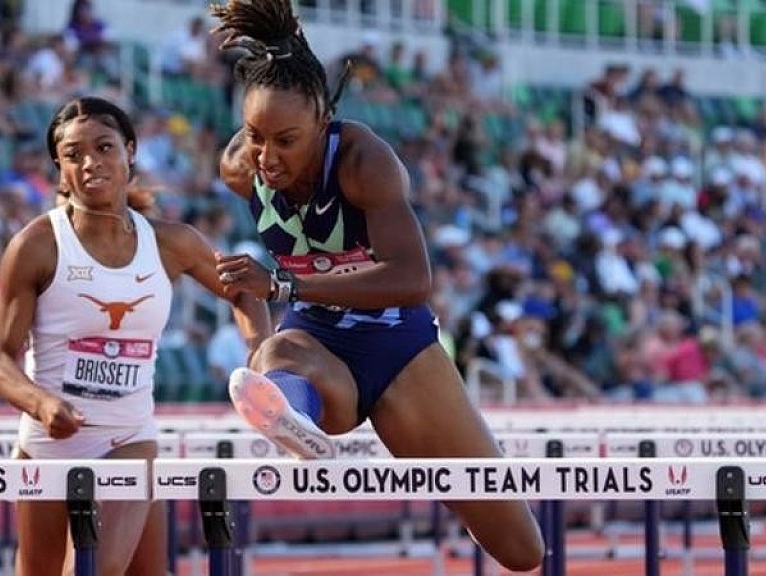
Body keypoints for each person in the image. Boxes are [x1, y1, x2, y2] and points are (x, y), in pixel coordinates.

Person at [209, 0, 543, 571]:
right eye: (255, 135)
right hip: (316, 344)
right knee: (275, 355)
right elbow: (249, 290)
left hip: (398, 346)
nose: (267, 157)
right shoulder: (241, 168)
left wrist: (284, 286)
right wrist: (258, 343)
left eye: (286, 140)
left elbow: (413, 280)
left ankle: (292, 405)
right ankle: (293, 414)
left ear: (323, 121)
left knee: (520, 550)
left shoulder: (363, 161)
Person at [0, 96, 271, 576]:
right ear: (59, 169)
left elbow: (243, 290)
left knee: (94, 571)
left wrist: (260, 351)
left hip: (128, 439)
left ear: (130, 151)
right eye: (73, 155)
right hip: (47, 445)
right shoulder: (36, 245)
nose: (90, 162)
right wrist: (41, 403)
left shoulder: (171, 242)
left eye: (104, 148)